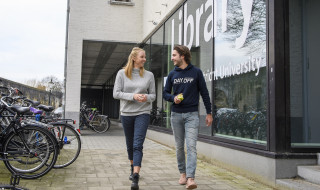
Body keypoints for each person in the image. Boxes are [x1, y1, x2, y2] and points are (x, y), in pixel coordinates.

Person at [163, 45, 213, 189]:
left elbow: (204, 93)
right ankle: (182, 174)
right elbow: (165, 93)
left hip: (192, 115)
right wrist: (173, 98)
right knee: (179, 147)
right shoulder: (172, 74)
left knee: (191, 146)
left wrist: (209, 113)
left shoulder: (196, 72)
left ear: (182, 56)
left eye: (174, 55)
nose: (172, 58)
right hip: (176, 115)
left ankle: (191, 178)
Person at [113, 47, 156, 190]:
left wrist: (145, 98)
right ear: (134, 58)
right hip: (126, 114)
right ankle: (132, 167)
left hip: (143, 112)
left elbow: (153, 96)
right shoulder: (122, 73)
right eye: (142, 57)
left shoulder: (149, 75)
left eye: (145, 57)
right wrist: (133, 96)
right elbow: (116, 93)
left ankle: (136, 176)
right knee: (130, 144)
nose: (145, 59)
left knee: (138, 144)